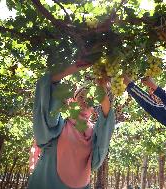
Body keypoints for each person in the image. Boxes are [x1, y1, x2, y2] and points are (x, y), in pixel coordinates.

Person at [27, 61, 115, 189]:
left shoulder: (94, 133)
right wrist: (80, 64)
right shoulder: (59, 125)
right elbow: (48, 82)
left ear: (94, 109)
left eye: (90, 99)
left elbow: (106, 122)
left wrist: (102, 91)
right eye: (81, 97)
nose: (85, 101)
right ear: (72, 101)